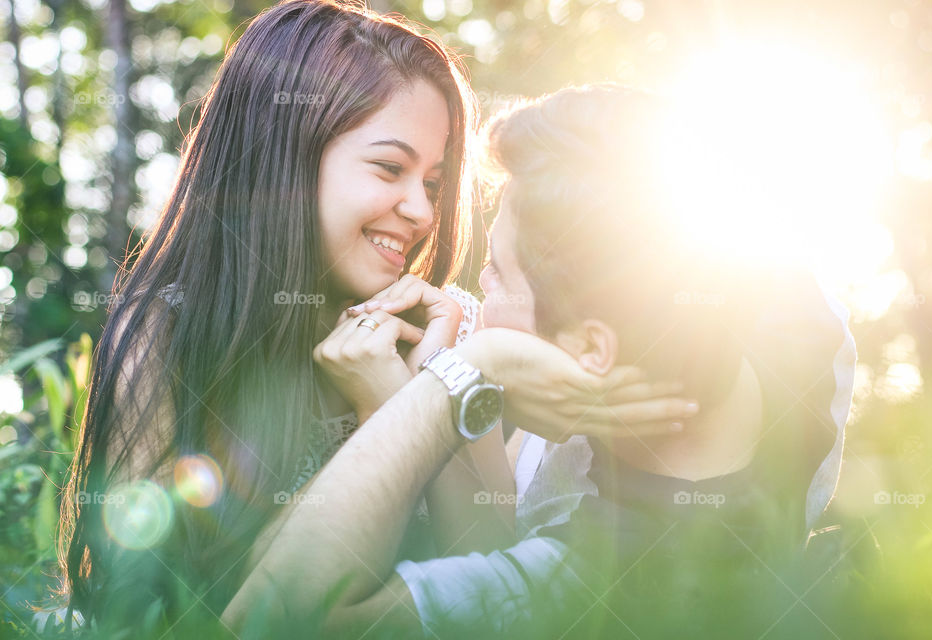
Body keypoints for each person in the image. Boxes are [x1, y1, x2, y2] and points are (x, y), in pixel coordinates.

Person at [53, 4, 689, 635]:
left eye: (435, 184)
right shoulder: (170, 337)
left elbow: (492, 559)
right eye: (390, 168)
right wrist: (379, 425)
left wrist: (415, 392)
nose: (419, 210)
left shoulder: (451, 332)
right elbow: (172, 613)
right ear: (285, 162)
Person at [221, 85, 855, 638]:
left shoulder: (578, 582)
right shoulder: (804, 323)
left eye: (496, 275)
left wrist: (446, 383)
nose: (476, 294)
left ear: (591, 350)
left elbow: (269, 618)